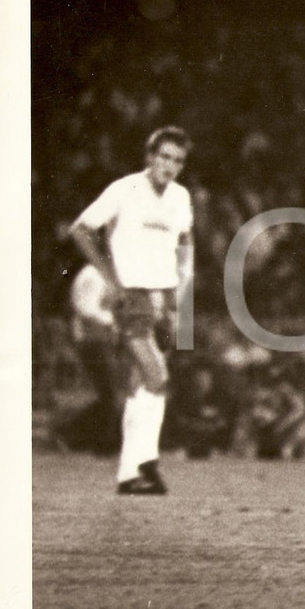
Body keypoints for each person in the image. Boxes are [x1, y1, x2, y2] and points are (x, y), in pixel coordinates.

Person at [68, 126, 195, 495]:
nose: (170, 165)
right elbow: (81, 229)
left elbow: (185, 240)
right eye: (165, 156)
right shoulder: (125, 189)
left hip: (163, 296)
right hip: (132, 298)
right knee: (156, 376)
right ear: (150, 157)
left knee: (144, 384)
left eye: (178, 160)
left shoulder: (180, 197)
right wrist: (111, 279)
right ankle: (145, 462)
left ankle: (132, 472)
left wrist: (179, 291)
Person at [50, 264, 124, 454]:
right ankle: (87, 438)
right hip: (92, 340)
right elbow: (86, 309)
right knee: (110, 394)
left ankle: (70, 433)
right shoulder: (91, 275)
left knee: (110, 395)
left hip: (103, 339)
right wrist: (110, 318)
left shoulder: (112, 274)